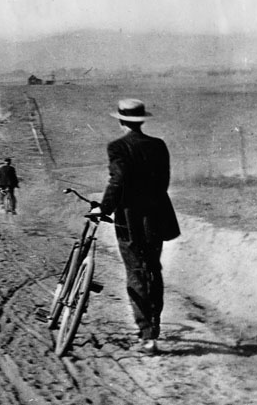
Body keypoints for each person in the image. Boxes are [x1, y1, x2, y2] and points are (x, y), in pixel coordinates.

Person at [90, 99, 178, 356]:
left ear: (121, 121)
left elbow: (118, 181)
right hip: (157, 216)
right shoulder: (158, 145)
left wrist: (103, 208)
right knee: (153, 269)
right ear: (141, 121)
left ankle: (147, 334)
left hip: (129, 218)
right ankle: (155, 326)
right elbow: (164, 182)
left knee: (135, 272)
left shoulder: (117, 147)